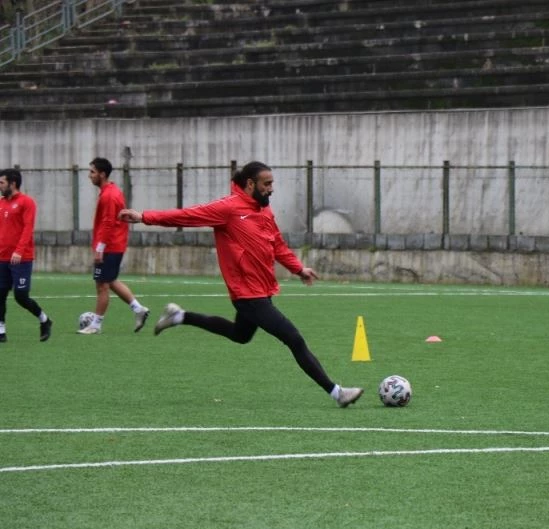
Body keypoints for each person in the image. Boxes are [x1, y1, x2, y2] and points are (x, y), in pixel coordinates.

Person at [118, 161, 363, 408]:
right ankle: (337, 393)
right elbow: (187, 215)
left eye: (272, 184)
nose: (271, 189)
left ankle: (180, 316)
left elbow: (277, 244)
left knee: (240, 335)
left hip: (261, 290)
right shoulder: (228, 208)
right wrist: (144, 217)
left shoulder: (264, 210)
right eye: (267, 184)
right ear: (250, 184)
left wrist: (298, 269)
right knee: (294, 339)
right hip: (247, 294)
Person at [78, 157, 149, 334]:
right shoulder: (110, 191)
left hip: (110, 246)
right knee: (109, 281)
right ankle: (139, 309)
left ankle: (95, 325)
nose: (89, 175)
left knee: (102, 285)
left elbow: (108, 223)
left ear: (102, 174)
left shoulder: (109, 195)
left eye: (92, 172)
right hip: (114, 244)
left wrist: (100, 248)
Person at [0, 168, 52, 342]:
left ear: (12, 183)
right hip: (2, 257)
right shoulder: (1, 203)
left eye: (2, 182)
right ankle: (1, 331)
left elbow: (28, 228)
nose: (0, 186)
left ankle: (44, 320)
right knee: (0, 293)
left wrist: (19, 251)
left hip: (21, 258)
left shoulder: (27, 202)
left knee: (21, 296)